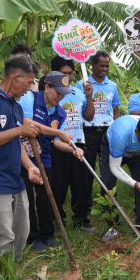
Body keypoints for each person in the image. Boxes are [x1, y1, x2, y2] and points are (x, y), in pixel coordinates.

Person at [0, 55, 43, 260]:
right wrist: (19, 129)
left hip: (16, 180)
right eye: (29, 82)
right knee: (3, 238)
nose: (30, 88)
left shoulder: (16, 106)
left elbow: (16, 142)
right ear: (15, 77)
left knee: (21, 232)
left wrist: (29, 166)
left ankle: (14, 277)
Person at [19, 71, 82, 250]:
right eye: (58, 92)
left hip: (44, 155)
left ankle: (48, 234)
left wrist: (72, 149)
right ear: (47, 87)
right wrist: (59, 133)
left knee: (47, 194)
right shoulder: (29, 99)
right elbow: (28, 125)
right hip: (23, 154)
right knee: (28, 197)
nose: (60, 97)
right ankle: (32, 237)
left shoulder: (60, 113)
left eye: (63, 94)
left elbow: (56, 143)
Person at [49, 56, 96, 234]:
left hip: (78, 144)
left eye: (70, 73)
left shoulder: (79, 93)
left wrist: (90, 96)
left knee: (81, 185)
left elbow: (89, 117)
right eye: (63, 73)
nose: (67, 77)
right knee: (58, 185)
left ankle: (81, 220)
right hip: (57, 145)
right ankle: (57, 220)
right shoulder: (51, 94)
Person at [76, 51, 119, 213]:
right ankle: (84, 208)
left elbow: (115, 110)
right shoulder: (82, 85)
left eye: (107, 66)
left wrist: (115, 127)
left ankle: (108, 208)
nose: (105, 69)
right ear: (92, 65)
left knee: (109, 170)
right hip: (88, 131)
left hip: (107, 132)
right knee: (86, 172)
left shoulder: (112, 86)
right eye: (101, 65)